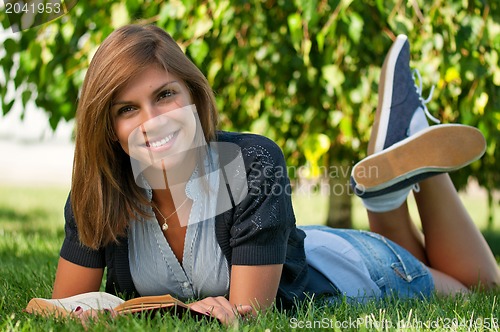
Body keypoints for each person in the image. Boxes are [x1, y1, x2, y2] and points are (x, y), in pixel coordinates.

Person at [52, 25, 499, 325]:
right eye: (127, 109)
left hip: (352, 268)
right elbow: (60, 307)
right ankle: (388, 182)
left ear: (194, 94)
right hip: (299, 242)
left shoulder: (251, 163)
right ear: (107, 129)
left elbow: (248, 313)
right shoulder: (100, 193)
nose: (152, 121)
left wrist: (138, 312)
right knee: (431, 256)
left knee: (480, 287)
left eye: (165, 95)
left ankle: (415, 139)